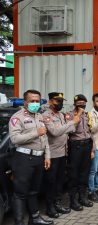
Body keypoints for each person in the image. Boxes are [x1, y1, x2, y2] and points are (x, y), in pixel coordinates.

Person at [9, 89, 53, 225]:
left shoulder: (39, 116)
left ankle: (34, 219)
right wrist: (35, 132)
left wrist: (47, 156)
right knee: (20, 193)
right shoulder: (17, 117)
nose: (35, 103)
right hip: (23, 159)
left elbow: (44, 138)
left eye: (37, 101)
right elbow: (15, 139)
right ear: (25, 102)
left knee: (34, 191)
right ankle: (19, 222)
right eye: (32, 101)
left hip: (39, 158)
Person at [42, 92, 78, 218]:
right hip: (52, 154)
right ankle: (49, 207)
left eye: (61, 101)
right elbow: (55, 131)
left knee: (59, 181)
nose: (60, 103)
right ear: (50, 101)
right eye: (57, 101)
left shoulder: (62, 115)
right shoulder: (46, 116)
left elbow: (72, 130)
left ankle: (57, 203)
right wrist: (70, 123)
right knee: (51, 182)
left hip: (63, 153)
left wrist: (68, 125)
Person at [66, 94, 93, 211]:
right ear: (75, 103)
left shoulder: (87, 115)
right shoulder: (69, 115)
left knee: (84, 173)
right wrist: (79, 114)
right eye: (79, 102)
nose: (81, 104)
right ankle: (73, 200)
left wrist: (92, 149)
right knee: (74, 174)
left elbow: (90, 131)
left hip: (87, 145)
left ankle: (83, 197)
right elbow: (71, 129)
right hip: (76, 146)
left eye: (83, 102)